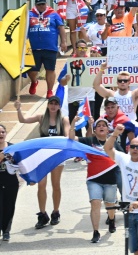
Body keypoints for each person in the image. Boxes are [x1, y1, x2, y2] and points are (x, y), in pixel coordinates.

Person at [14, 94, 69, 228]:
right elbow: (23, 120)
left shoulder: (63, 119)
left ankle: (56, 212)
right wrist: (18, 109)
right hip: (42, 156)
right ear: (48, 105)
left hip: (56, 156)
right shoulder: (41, 117)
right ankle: (42, 214)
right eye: (51, 103)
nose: (53, 106)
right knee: (41, 185)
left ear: (59, 106)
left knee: (56, 184)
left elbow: (67, 136)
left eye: (56, 104)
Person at [105, 124, 138, 255]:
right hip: (129, 210)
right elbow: (108, 148)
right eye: (132, 146)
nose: (135, 149)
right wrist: (115, 134)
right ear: (129, 148)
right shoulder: (124, 159)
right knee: (134, 249)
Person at [68, 117, 119, 243]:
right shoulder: (89, 140)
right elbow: (71, 139)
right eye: (98, 125)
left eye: (104, 125)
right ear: (95, 130)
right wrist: (73, 123)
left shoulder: (114, 142)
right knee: (95, 203)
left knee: (109, 204)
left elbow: (121, 160)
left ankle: (111, 219)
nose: (101, 127)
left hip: (110, 180)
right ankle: (96, 232)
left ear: (108, 130)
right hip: (93, 179)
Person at [27, 0, 67, 98]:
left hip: (50, 47)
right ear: (35, 5)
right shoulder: (29, 14)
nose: (41, 6)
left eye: (43, 4)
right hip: (34, 48)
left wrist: (64, 42)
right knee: (32, 70)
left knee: (50, 69)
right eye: (39, 4)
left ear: (46, 4)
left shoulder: (53, 14)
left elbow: (61, 28)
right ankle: (34, 81)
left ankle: (49, 91)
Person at [0, 124, 20, 242]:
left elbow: (22, 163)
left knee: (9, 206)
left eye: (3, 132)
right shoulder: (6, 151)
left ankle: (6, 231)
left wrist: (29, 178)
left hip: (11, 182)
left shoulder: (13, 147)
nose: (1, 134)